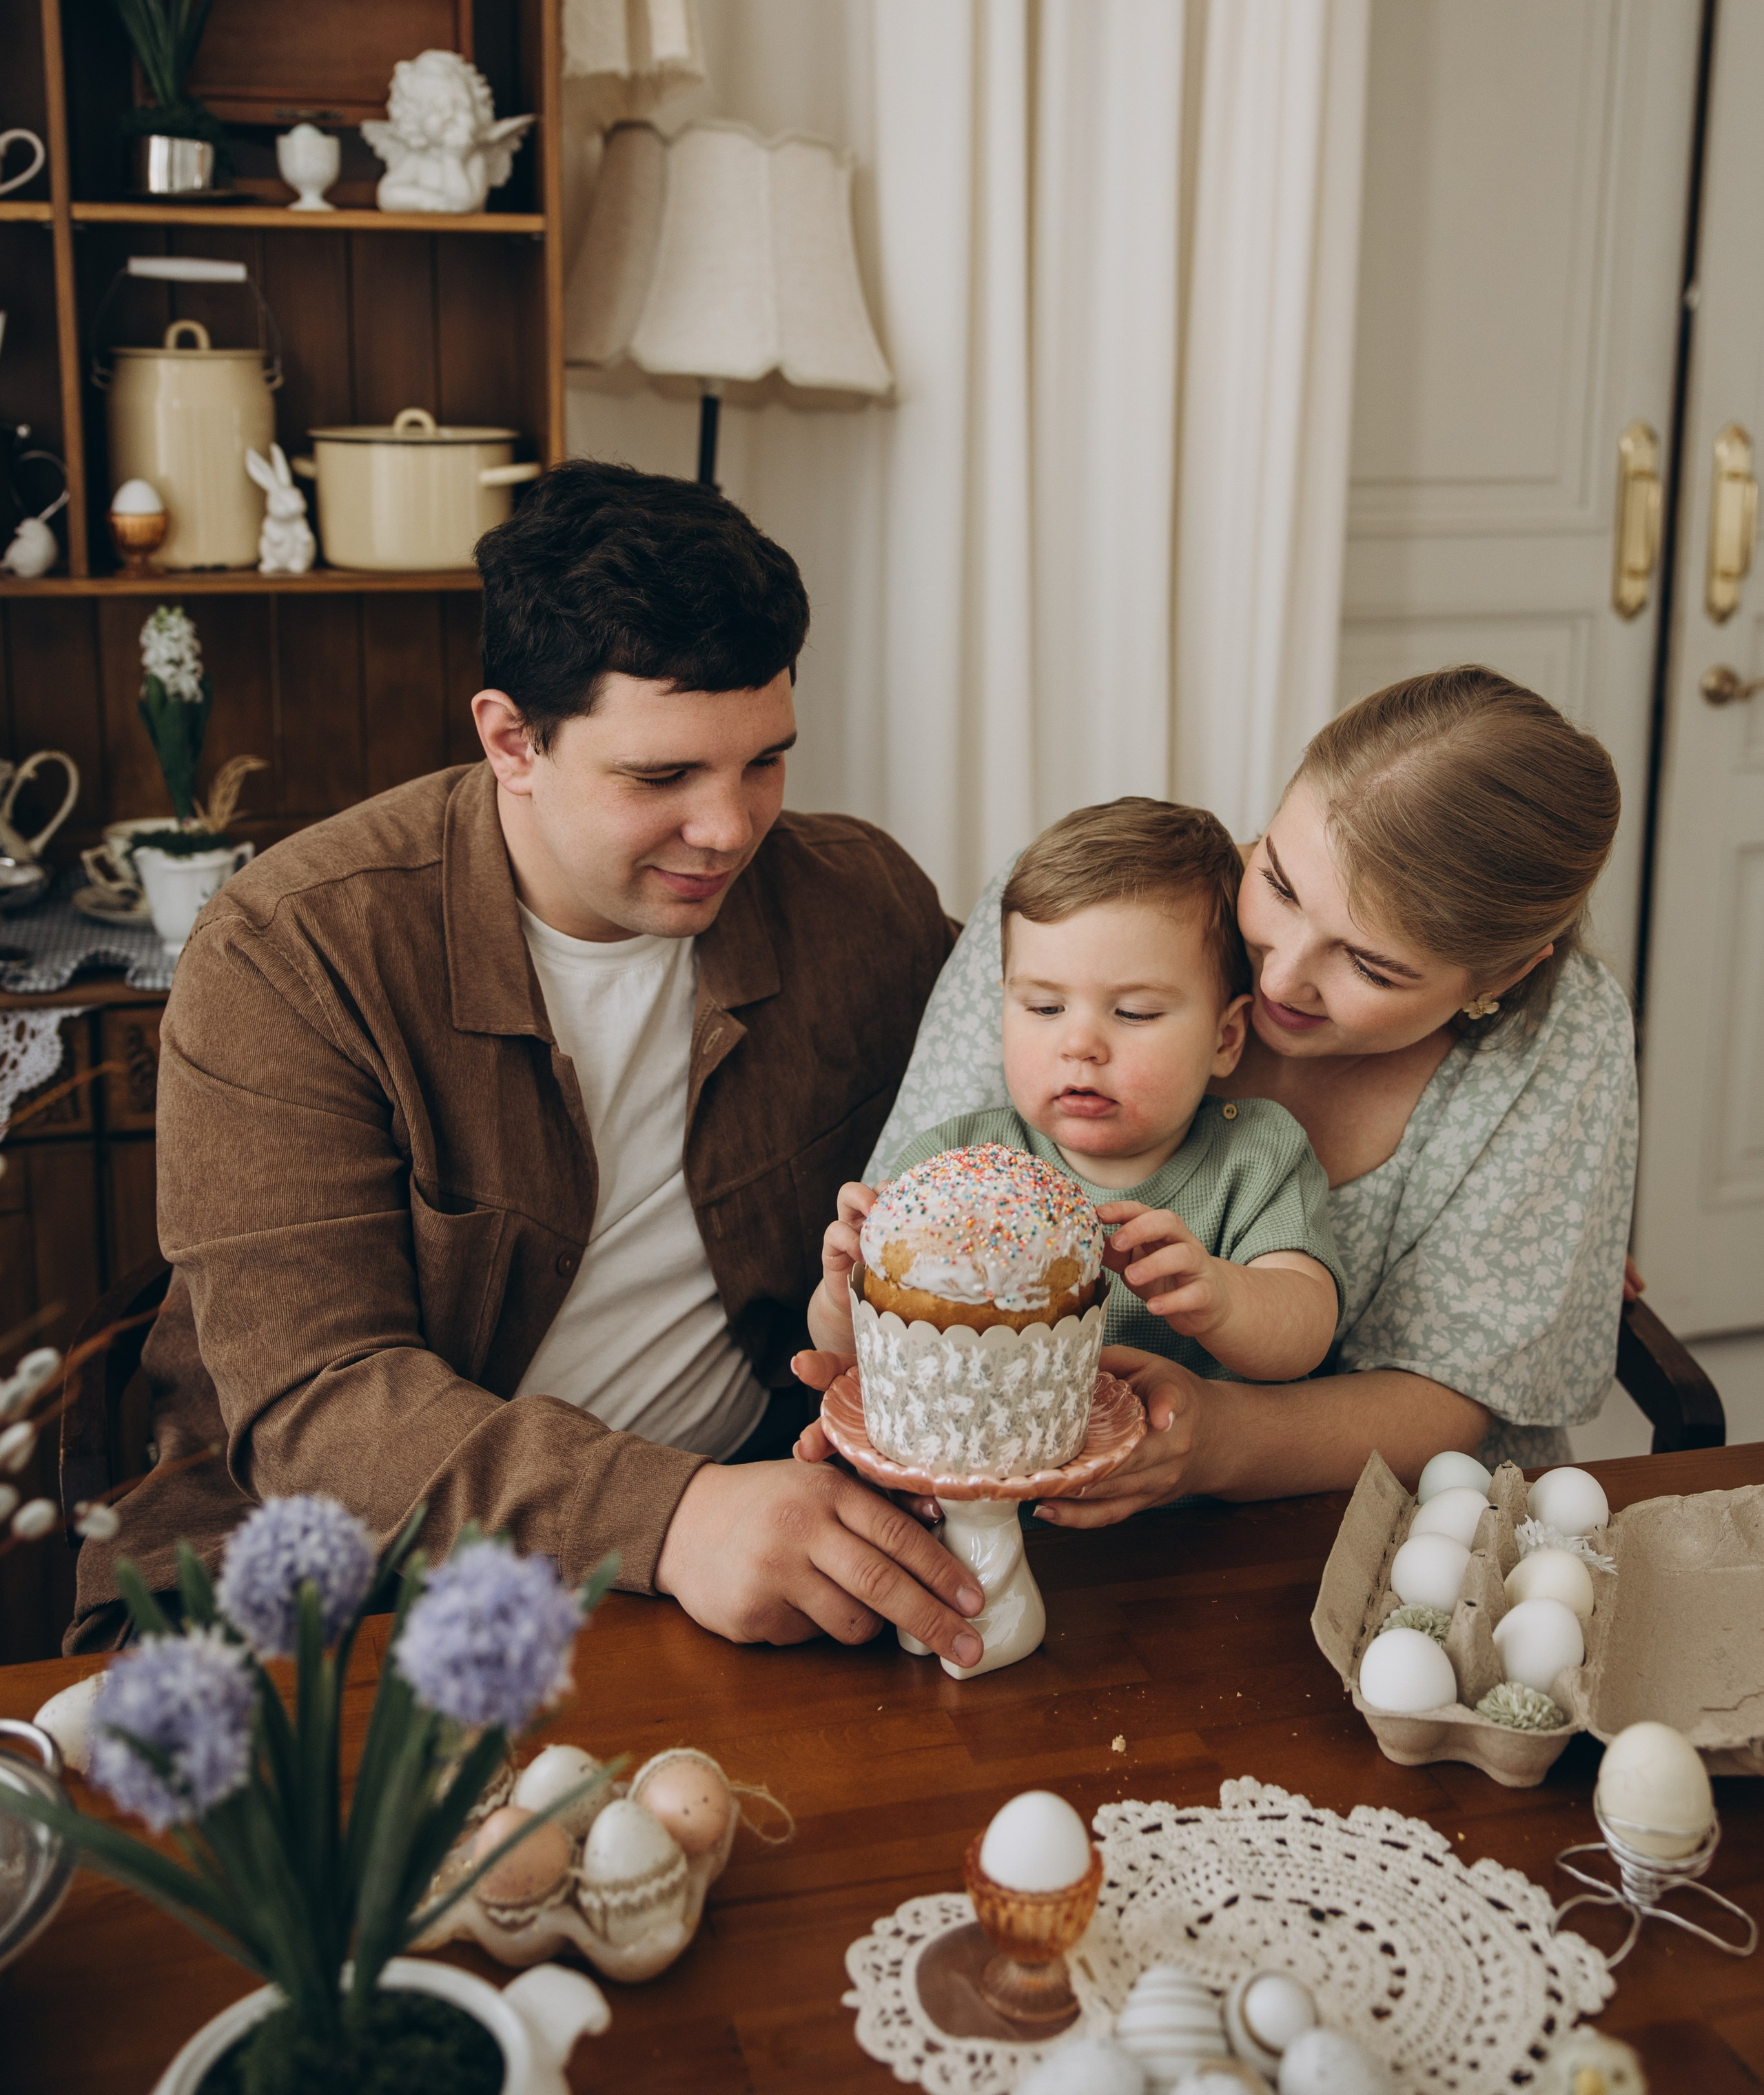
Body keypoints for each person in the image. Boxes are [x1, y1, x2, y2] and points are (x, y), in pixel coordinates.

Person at [71, 462, 989, 1670]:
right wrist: (670, 1519)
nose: (731, 828)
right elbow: (318, 1405)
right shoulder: (291, 951)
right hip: (341, 1598)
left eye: (764, 760)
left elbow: (1040, 1100)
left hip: (742, 1567)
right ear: (512, 739)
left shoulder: (857, 901)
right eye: (661, 777)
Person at [797, 666, 1633, 1517]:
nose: (1283, 975)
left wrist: (1198, 1439)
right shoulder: (1088, 913)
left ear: (1498, 978)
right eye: (1277, 882)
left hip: (1381, 1509)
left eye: (1370, 965)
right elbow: (907, 1252)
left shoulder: (1562, 1038)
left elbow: (1449, 1395)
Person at [808, 798, 1342, 1383]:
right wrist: (842, 1301)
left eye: (1134, 1012)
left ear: (1226, 1038)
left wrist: (1223, 1298)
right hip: (980, 1457)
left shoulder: (1256, 1158)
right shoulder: (953, 1164)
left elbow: (1308, 1330)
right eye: (1045, 1006)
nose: (1080, 1044)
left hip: (1179, 1466)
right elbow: (867, 1351)